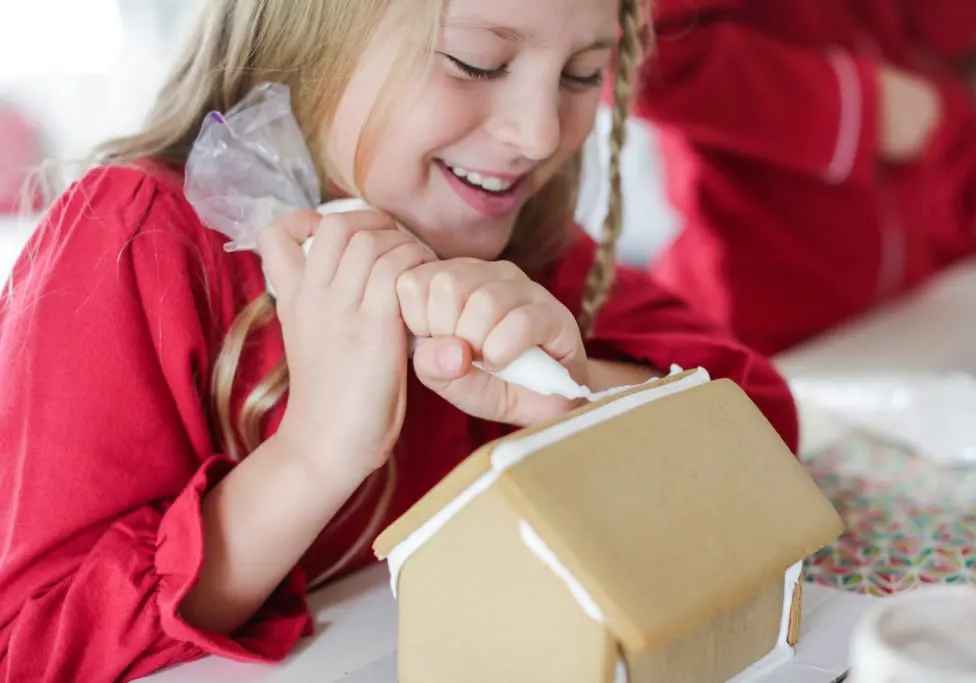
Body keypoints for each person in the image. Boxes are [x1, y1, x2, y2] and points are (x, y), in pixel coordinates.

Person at [0, 0, 799, 680]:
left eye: (585, 73)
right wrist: (314, 453)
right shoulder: (135, 243)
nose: (536, 130)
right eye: (477, 63)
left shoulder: (526, 247)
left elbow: (766, 432)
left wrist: (576, 391)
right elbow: (32, 643)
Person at [633, 0, 976, 355]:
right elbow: (631, 47)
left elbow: (932, 70)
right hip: (754, 323)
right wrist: (851, 105)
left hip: (906, 311)